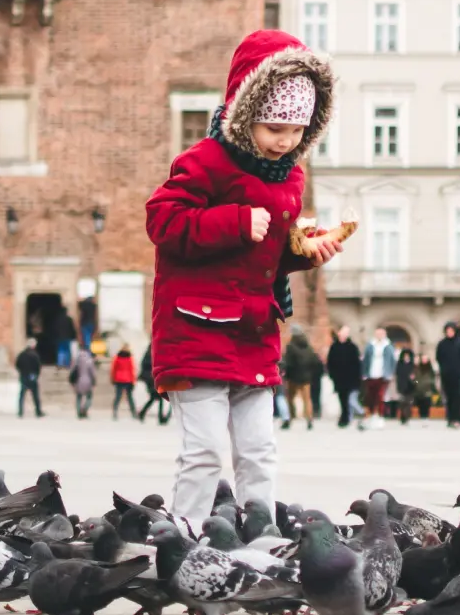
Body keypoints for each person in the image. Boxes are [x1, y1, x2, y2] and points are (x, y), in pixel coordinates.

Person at [144, 29, 340, 529]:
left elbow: (266, 255)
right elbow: (162, 222)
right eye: (274, 128)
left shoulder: (290, 176)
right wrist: (232, 220)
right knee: (205, 451)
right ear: (246, 112)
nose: (286, 142)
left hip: (253, 331)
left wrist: (304, 252)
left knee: (259, 450)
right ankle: (182, 542)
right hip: (196, 329)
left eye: (297, 131)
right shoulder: (204, 162)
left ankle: (259, 537)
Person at [280, 326, 321, 430]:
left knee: (289, 398)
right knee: (307, 399)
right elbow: (315, 361)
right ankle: (309, 419)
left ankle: (290, 418)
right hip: (306, 378)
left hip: (293, 378)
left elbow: (287, 362)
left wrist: (285, 373)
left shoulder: (290, 346)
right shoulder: (308, 346)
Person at [435, 322, 460, 428]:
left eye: (451, 330)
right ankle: (450, 418)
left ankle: (457, 419)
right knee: (448, 397)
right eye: (447, 331)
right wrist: (444, 368)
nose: (449, 333)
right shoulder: (442, 344)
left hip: (458, 374)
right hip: (446, 374)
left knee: (457, 397)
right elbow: (438, 357)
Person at [360, 327, 396, 430]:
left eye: (381, 334)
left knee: (380, 396)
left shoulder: (388, 346)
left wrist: (390, 373)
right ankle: (371, 416)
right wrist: (364, 373)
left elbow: (393, 361)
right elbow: (365, 360)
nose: (379, 336)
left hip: (383, 375)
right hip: (371, 375)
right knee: (371, 397)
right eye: (378, 334)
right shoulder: (370, 346)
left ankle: (380, 417)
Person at [326, 326, 362, 428]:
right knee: (342, 399)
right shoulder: (334, 346)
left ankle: (346, 417)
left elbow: (357, 363)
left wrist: (357, 377)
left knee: (349, 399)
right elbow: (330, 362)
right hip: (338, 378)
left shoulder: (352, 347)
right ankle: (345, 417)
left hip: (350, 378)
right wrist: (332, 375)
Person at [136, 344, 171, 424]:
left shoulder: (155, 355)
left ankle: (143, 413)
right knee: (158, 397)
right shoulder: (149, 356)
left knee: (154, 398)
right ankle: (159, 417)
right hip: (151, 380)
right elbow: (146, 367)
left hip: (156, 379)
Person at [14, 339, 43, 418]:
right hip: (32, 376)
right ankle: (38, 411)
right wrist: (36, 375)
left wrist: (22, 372)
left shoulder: (21, 355)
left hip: (23, 376)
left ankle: (20, 411)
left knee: (22, 395)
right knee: (35, 395)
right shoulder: (34, 355)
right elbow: (38, 366)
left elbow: (17, 365)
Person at [69, 345, 97, 419]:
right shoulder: (89, 360)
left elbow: (72, 371)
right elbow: (93, 372)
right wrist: (94, 381)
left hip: (78, 381)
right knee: (89, 397)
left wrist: (72, 381)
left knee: (78, 397)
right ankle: (84, 409)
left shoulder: (75, 360)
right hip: (88, 382)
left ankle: (79, 413)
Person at [110, 344, 138, 420]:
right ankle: (133, 413)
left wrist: (112, 378)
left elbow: (113, 369)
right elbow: (132, 370)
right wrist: (133, 381)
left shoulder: (117, 357)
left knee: (118, 397)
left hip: (118, 379)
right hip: (128, 379)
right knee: (130, 398)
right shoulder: (130, 358)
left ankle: (115, 411)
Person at [393, 348, 416, 424]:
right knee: (402, 403)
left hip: (410, 387)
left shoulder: (413, 365)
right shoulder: (399, 365)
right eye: (405, 356)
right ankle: (403, 416)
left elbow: (417, 378)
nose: (406, 357)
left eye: (408, 356)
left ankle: (406, 417)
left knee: (408, 403)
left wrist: (414, 381)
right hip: (401, 386)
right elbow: (397, 375)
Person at [413, 353, 437, 420]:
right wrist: (417, 383)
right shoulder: (417, 369)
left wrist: (430, 383)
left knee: (426, 404)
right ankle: (421, 417)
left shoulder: (430, 369)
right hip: (419, 390)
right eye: (423, 359)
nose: (424, 360)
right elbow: (415, 379)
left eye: (425, 359)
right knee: (420, 405)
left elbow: (433, 379)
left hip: (428, 390)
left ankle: (426, 417)